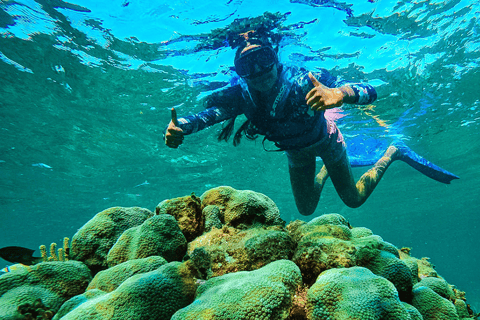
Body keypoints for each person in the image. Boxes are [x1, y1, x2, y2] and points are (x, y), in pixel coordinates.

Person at [164, 36, 458, 216]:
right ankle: (328, 169)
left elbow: (371, 91)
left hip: (328, 142)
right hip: (296, 153)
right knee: (305, 210)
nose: (259, 71)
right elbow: (207, 116)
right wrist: (182, 128)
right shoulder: (242, 97)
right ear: (240, 73)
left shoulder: (301, 82)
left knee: (353, 200)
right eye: (247, 66)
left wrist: (338, 94)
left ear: (276, 60)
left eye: (263, 59)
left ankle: (392, 152)